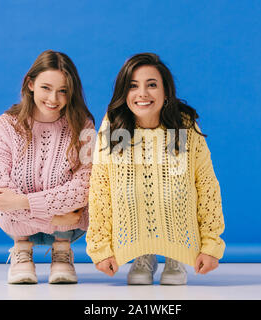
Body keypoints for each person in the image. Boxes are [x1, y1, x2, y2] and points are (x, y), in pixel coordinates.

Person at [86, 53, 225, 285]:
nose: (142, 93)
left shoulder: (183, 127)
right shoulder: (114, 126)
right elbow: (101, 189)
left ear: (166, 92)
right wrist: (101, 249)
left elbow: (207, 186)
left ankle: (175, 255)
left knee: (176, 187)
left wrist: (211, 245)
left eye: (152, 85)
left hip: (181, 228)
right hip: (130, 228)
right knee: (127, 186)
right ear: (124, 93)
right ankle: (143, 256)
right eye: (133, 86)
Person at [0, 50, 95, 284]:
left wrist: (23, 202)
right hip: (32, 222)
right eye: (46, 87)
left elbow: (82, 190)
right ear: (30, 84)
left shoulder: (83, 128)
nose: (54, 98)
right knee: (8, 199)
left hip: (67, 229)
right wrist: (61, 217)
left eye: (63, 91)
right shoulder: (5, 126)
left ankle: (62, 252)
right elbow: (0, 195)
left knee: (63, 193)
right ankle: (22, 250)